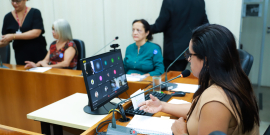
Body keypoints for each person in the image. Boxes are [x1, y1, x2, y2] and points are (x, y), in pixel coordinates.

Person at [139, 24, 259, 135]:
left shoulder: (215, 102)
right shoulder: (234, 80)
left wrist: (180, 132)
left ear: (206, 60)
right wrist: (162, 106)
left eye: (190, 55)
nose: (188, 60)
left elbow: (209, 111)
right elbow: (198, 111)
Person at [151, 0, 209, 71]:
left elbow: (160, 26)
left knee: (172, 79)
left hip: (174, 51)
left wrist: (145, 29)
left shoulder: (169, 1)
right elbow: (205, 25)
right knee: (195, 78)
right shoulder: (200, 1)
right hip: (194, 48)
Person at [0, 0, 47, 65]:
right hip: (20, 55)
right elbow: (6, 40)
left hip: (38, 53)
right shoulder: (7, 17)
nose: (14, 3)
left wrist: (13, 36)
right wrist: (3, 42)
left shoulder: (35, 12)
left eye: (18, 1)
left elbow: (36, 33)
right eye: (12, 1)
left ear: (25, 0)